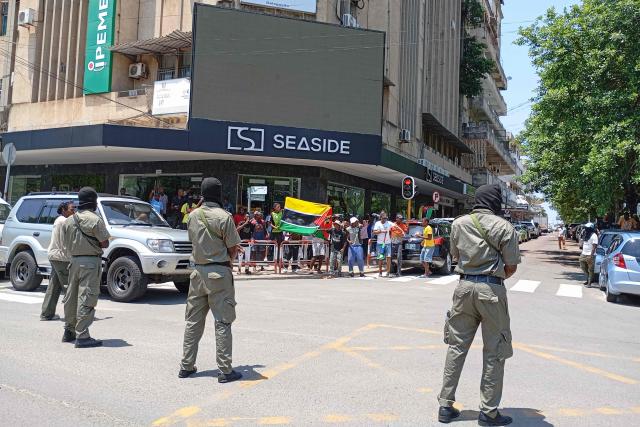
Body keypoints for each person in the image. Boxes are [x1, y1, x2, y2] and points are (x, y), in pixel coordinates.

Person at [437, 184, 520, 426]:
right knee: (495, 351)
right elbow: (512, 265)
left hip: (463, 288)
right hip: (491, 289)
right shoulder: (504, 227)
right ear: (496, 201)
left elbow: (455, 257)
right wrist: (492, 278)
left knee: (456, 347)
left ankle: (445, 405)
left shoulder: (459, 223)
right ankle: (489, 412)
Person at [179, 177, 243, 384]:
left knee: (193, 322)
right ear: (220, 194)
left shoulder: (192, 216)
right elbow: (233, 248)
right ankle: (225, 370)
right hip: (219, 274)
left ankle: (186, 366)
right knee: (222, 321)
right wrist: (227, 259)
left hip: (197, 273)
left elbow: (193, 240)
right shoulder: (224, 217)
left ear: (202, 195)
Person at [61, 187, 110, 348]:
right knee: (87, 296)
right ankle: (82, 335)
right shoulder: (95, 219)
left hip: (73, 261)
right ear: (93, 202)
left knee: (71, 296)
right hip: (90, 262)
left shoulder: (68, 220)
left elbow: (65, 243)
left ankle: (69, 330)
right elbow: (105, 243)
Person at [40, 201, 75, 321]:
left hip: (54, 256)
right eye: (71, 209)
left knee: (54, 286)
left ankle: (47, 313)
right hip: (61, 258)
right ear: (64, 210)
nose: (73, 211)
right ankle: (72, 316)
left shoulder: (58, 220)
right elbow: (67, 242)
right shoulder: (64, 221)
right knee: (69, 287)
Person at [373, 211, 392, 277]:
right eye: (384, 218)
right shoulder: (377, 223)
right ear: (380, 218)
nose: (385, 219)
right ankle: (380, 272)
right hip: (380, 244)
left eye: (386, 218)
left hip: (388, 243)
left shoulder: (389, 223)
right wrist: (381, 231)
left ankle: (388, 272)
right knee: (380, 258)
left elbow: (396, 226)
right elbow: (374, 232)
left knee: (388, 257)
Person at [270, 203, 284, 267]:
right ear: (274, 208)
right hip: (274, 232)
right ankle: (273, 260)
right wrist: (274, 227)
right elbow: (270, 223)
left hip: (280, 232)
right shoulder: (272, 214)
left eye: (280, 207)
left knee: (280, 246)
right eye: (278, 207)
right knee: (272, 246)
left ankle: (279, 261)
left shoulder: (282, 212)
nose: (279, 208)